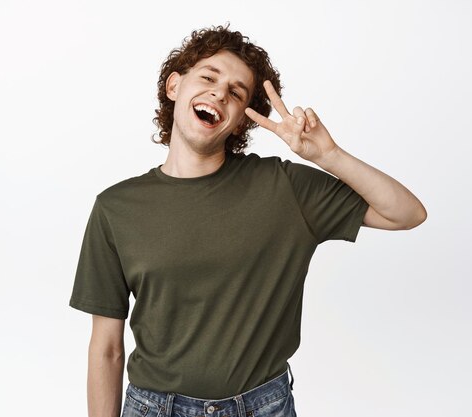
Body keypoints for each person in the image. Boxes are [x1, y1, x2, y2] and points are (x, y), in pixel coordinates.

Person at [68, 23, 427, 417]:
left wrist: (329, 156)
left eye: (236, 93)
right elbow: (106, 348)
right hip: (155, 407)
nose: (219, 93)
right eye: (208, 77)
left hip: (262, 406)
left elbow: (407, 213)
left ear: (241, 120)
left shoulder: (284, 187)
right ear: (174, 87)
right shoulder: (115, 208)